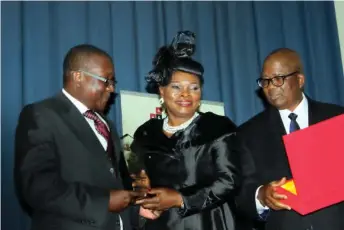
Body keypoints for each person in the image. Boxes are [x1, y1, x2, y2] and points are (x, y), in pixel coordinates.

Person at [14, 44, 157, 230]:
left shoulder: (107, 125)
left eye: (113, 82)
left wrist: (138, 210)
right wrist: (104, 202)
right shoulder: (41, 115)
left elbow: (118, 187)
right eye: (106, 81)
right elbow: (37, 186)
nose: (112, 89)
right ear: (78, 77)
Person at [129, 31, 242, 230]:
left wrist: (180, 199)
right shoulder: (146, 134)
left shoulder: (217, 128)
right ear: (161, 91)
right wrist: (143, 199)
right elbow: (138, 178)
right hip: (162, 224)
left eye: (194, 88)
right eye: (176, 87)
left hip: (210, 222)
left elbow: (229, 180)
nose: (185, 94)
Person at [237, 48, 344, 230]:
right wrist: (261, 196)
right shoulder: (248, 133)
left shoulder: (337, 118)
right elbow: (240, 193)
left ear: (300, 80)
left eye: (278, 79)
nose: (270, 87)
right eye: (265, 81)